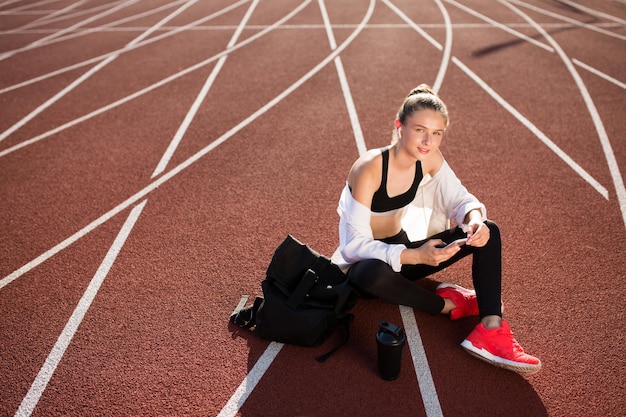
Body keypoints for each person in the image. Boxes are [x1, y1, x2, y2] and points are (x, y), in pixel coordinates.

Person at [331, 84, 541, 374]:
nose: (428, 141)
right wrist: (416, 256)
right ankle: (447, 306)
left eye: (437, 133)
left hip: (405, 251)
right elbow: (352, 246)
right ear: (399, 126)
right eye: (420, 130)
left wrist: (473, 219)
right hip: (371, 262)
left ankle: (490, 330)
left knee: (489, 232)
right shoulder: (370, 167)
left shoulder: (428, 158)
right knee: (367, 273)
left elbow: (460, 200)